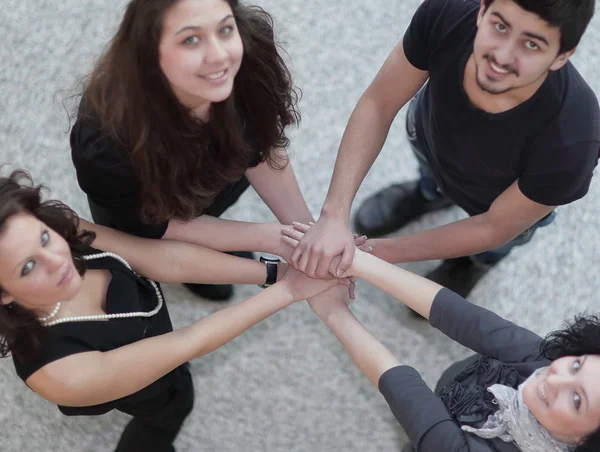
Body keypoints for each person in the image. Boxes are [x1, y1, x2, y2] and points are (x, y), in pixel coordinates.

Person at [0, 170, 339, 452]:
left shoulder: (62, 227)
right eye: (28, 267)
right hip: (144, 389)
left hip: (157, 328)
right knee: (169, 410)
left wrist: (273, 273)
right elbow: (192, 340)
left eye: (44, 239)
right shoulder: (59, 374)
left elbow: (159, 259)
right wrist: (290, 290)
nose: (57, 260)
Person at [289, 0, 600, 299]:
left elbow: (493, 226)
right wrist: (333, 215)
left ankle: (471, 263)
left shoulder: (575, 140)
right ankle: (427, 195)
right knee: (429, 175)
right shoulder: (446, 13)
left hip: (496, 202)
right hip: (430, 140)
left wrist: (370, 255)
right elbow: (378, 104)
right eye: (500, 26)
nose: (502, 56)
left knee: (492, 245)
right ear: (482, 10)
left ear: (562, 55)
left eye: (531, 44)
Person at [70, 0, 316, 301]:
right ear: (149, 51)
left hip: (210, 182)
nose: (219, 56)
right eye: (190, 39)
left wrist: (306, 235)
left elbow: (260, 145)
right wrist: (273, 239)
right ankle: (209, 251)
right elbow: (154, 226)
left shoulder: (252, 53)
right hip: (149, 210)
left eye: (225, 29)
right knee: (150, 251)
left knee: (213, 205)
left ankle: (215, 240)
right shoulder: (105, 138)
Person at [283, 223, 600, 452]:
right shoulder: (546, 359)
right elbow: (461, 317)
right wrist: (357, 261)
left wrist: (333, 312)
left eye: (576, 400)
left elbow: (406, 391)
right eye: (576, 366)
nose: (554, 379)